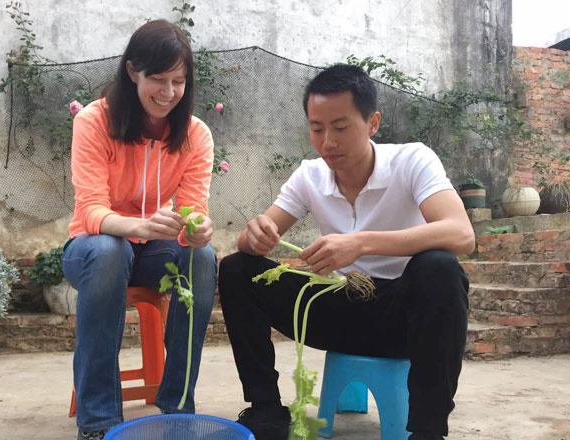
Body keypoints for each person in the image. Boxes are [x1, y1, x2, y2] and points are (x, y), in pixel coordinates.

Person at [218, 64, 474, 440]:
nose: (327, 142)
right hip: (336, 310)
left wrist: (361, 243)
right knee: (237, 269)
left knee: (440, 267)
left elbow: (461, 233)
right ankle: (266, 409)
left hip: (403, 318)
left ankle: (427, 431)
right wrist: (253, 236)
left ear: (372, 123)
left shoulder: (411, 161)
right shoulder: (310, 175)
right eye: (316, 129)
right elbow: (254, 238)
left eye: (340, 128)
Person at [62, 19, 217, 440]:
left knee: (202, 257)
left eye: (179, 82)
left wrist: (198, 229)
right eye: (158, 79)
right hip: (90, 251)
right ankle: (98, 423)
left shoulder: (195, 134)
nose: (168, 93)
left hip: (152, 252)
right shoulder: (95, 121)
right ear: (133, 71)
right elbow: (91, 211)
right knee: (109, 251)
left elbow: (193, 211)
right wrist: (138, 225)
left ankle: (178, 410)